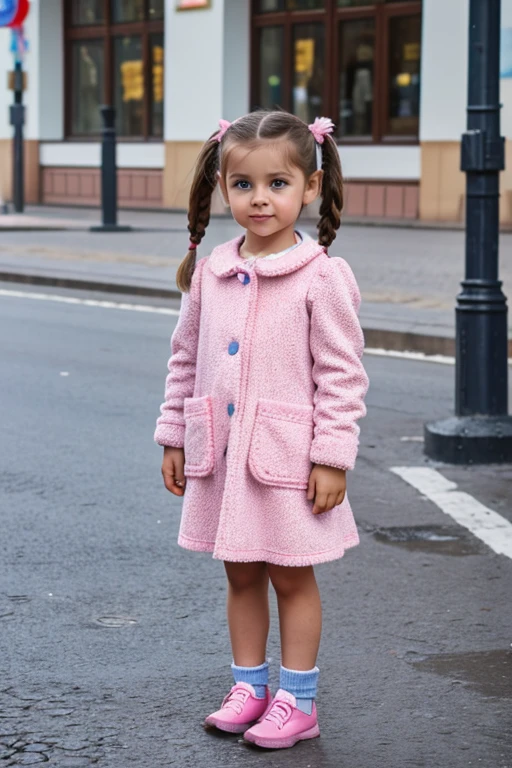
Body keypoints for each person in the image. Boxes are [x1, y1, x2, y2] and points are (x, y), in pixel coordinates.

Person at [154, 110, 369, 750]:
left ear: (310, 188)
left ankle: (298, 700)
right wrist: (174, 433)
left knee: (291, 577)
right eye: (244, 184)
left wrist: (332, 456)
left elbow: (342, 376)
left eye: (278, 183)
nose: (260, 199)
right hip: (222, 457)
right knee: (240, 574)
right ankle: (249, 687)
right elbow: (185, 359)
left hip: (288, 461)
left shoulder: (321, 276)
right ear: (224, 189)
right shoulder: (212, 271)